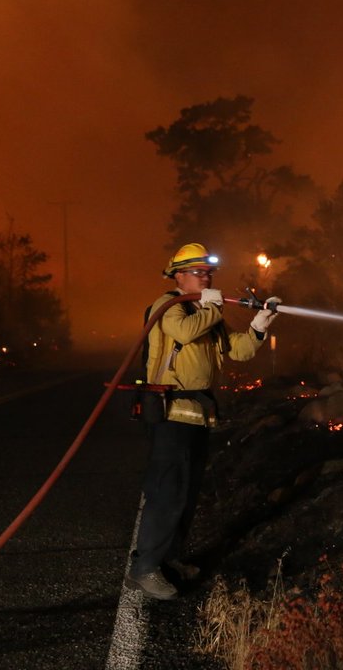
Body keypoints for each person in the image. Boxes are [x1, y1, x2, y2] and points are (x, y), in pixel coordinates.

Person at [124, 242, 280, 600]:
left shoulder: (205, 312)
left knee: (186, 494)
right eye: (198, 272)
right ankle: (145, 568)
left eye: (208, 273)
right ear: (179, 276)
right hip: (171, 413)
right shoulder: (168, 306)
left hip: (198, 414)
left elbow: (238, 350)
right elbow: (184, 333)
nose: (206, 278)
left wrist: (259, 324)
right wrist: (211, 306)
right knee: (167, 492)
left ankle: (167, 561)